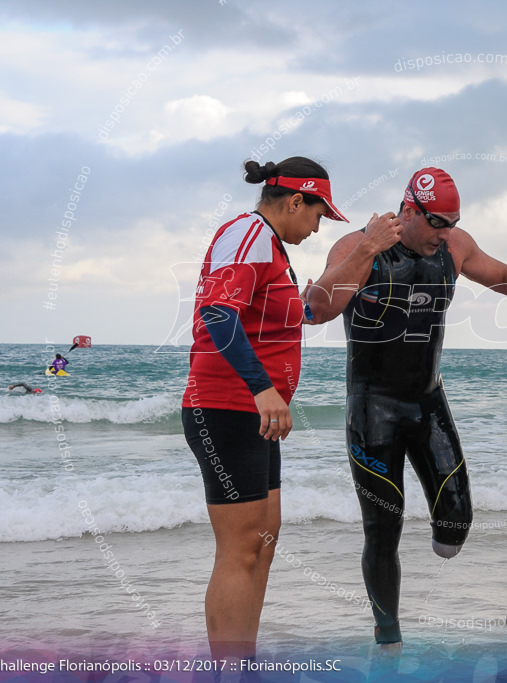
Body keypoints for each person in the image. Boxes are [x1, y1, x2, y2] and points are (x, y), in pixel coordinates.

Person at [304, 167, 507, 648]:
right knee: (384, 527)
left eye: (453, 222)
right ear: (409, 212)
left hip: (427, 403)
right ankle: (389, 638)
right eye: (438, 222)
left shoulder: (454, 247)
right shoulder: (358, 247)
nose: (445, 233)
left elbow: (502, 277)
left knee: (454, 529)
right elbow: (316, 308)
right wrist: (366, 250)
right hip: (372, 409)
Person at [181, 156, 348, 663]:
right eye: (318, 215)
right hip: (226, 407)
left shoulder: (270, 246)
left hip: (252, 414)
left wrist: (367, 251)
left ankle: (242, 663)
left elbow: (309, 311)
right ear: (295, 201)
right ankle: (227, 670)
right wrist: (261, 388)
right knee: (241, 549)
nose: (318, 227)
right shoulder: (248, 232)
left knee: (264, 539)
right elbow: (217, 313)